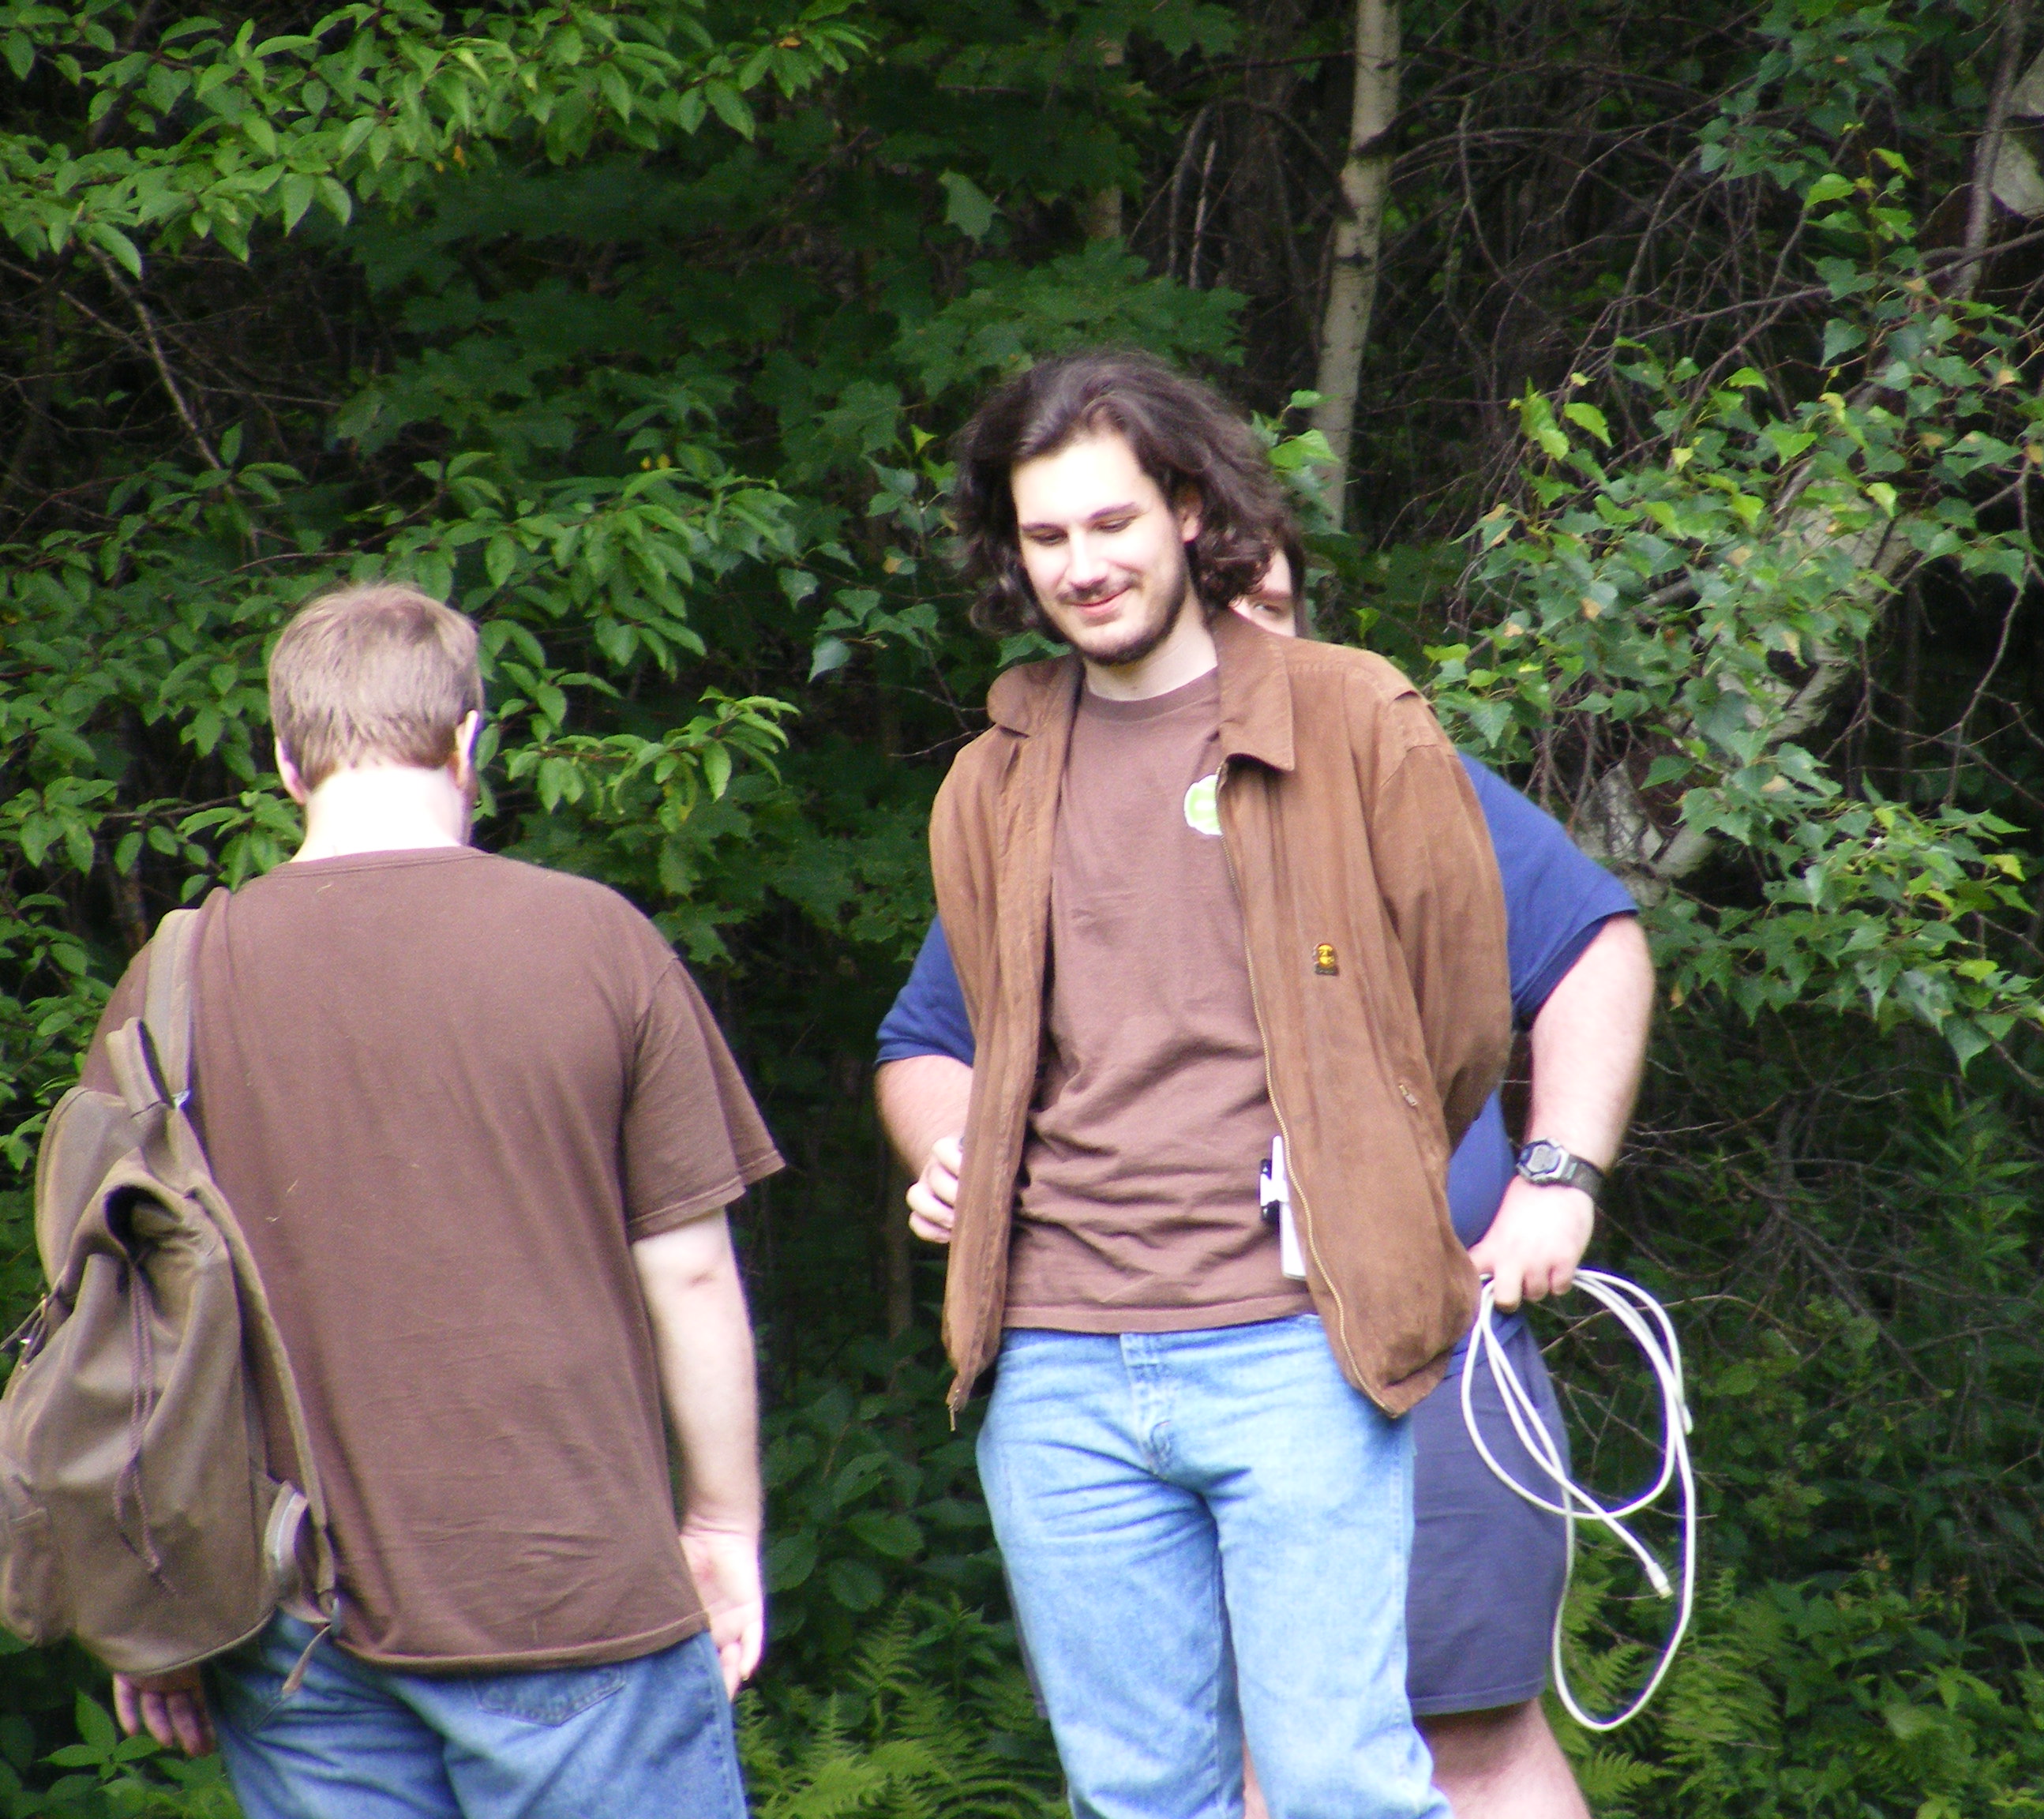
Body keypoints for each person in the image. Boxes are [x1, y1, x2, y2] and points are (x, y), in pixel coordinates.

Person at [881, 532, 1654, 1819]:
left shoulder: (1382, 760)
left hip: (1407, 1336)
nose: (1248, 635)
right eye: (1227, 605)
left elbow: (1591, 945)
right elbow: (931, 1041)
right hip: (1111, 1348)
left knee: (1454, 1737)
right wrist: (961, 1150)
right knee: (1210, 1765)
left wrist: (1557, 1176)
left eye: (1275, 605)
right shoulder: (1039, 794)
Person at [98, 583, 781, 1819]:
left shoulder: (174, 979)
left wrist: (150, 1601)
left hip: (288, 1611)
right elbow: (688, 1270)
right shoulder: (598, 940)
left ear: (286, 760)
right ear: (471, 740)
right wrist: (724, 1526)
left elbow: (122, 1324)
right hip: (567, 1590)